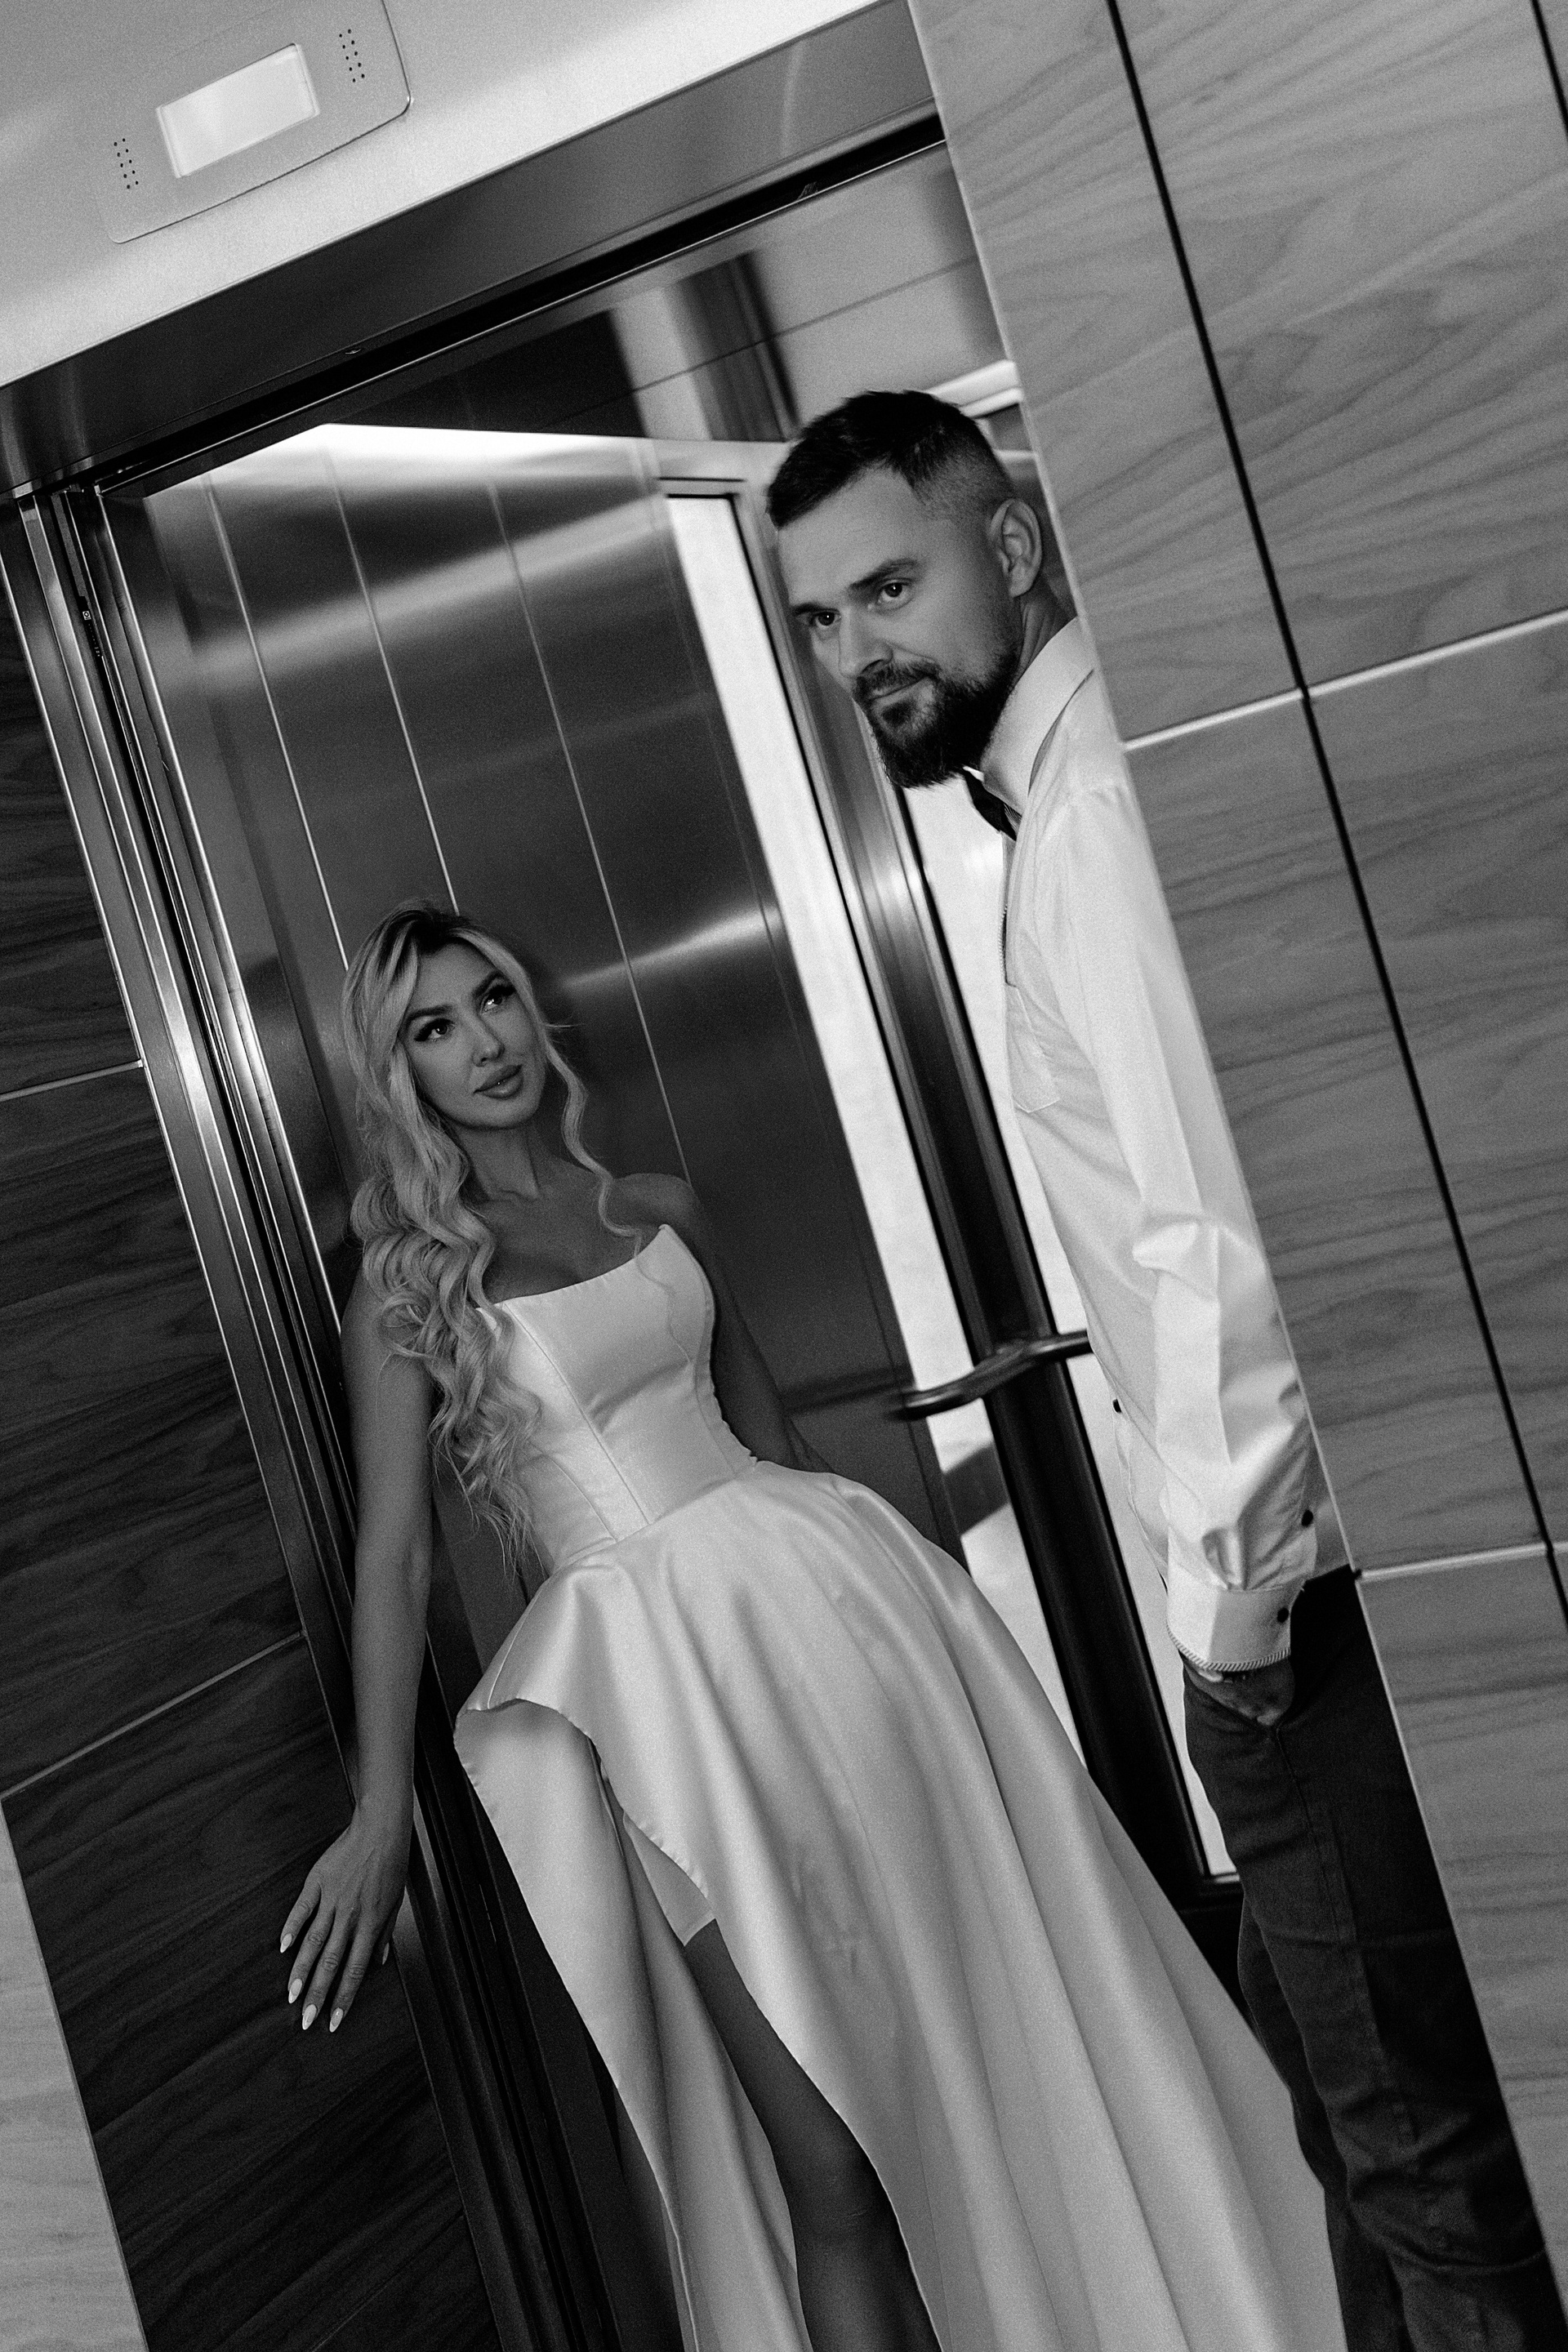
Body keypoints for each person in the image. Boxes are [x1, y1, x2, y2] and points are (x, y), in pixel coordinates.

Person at [768, 389, 1568, 2352]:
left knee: (1421, 2168)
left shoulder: (1100, 814)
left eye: (891, 587)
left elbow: (1219, 1242)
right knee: (1354, 2134)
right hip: (1294, 1610)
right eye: (820, 619)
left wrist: (1227, 1626)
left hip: (1303, 1619)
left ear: (1012, 545)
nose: (859, 651)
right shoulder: (1063, 807)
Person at [280, 898, 1342, 2352]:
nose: (486, 1043)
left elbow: (773, 1443)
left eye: (496, 1001)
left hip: (846, 1628)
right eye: (435, 1029)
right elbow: (395, 1558)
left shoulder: (655, 1206)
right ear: (399, 1073)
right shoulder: (412, 1283)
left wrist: (935, 1626)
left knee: (971, 2035)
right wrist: (380, 1815)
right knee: (831, 2160)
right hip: (664, 1704)